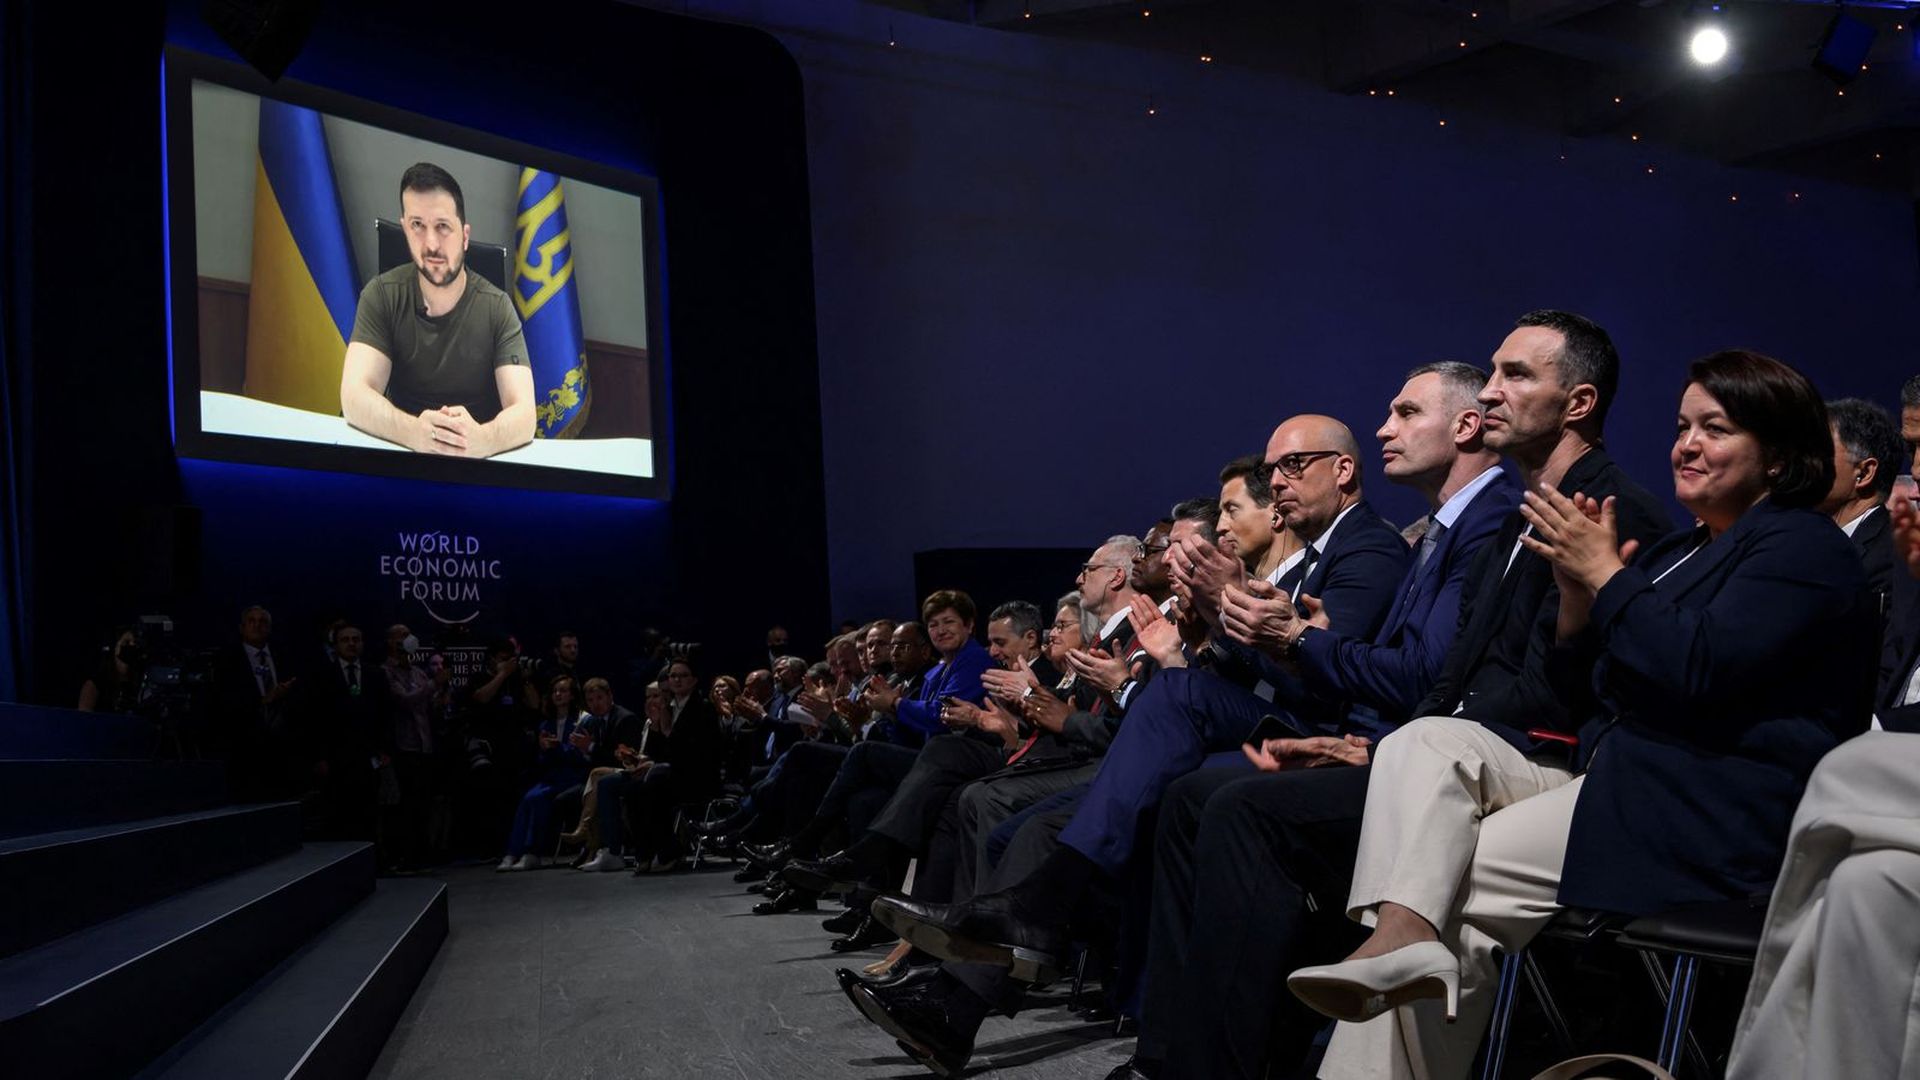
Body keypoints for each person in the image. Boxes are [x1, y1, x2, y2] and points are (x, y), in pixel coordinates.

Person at [1293, 350, 1876, 1080]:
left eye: (1716, 428)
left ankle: (1401, 946)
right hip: (1620, 781)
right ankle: (1399, 941)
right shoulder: (1680, 553)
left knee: (1446, 878)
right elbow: (1587, 686)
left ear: (1780, 456)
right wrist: (1577, 605)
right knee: (1424, 748)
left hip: (1711, 812)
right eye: (1682, 425)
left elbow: (1698, 668)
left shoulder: (1801, 546)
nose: (1686, 444)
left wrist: (1604, 576)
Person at [340, 162, 533, 458]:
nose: (431, 244)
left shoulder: (497, 308)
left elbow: (525, 415)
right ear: (405, 228)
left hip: (475, 461)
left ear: (465, 236)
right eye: (417, 225)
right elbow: (353, 396)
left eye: (443, 227)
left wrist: (483, 439)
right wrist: (413, 432)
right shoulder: (380, 295)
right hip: (402, 452)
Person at [1818, 397, 1900, 617]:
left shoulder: (1896, 554)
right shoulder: (1801, 538)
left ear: (1864, 473)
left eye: (1820, 451)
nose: (1806, 462)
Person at [77, 628, 139, 713]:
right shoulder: (95, 684)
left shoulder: (141, 682)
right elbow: (85, 719)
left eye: (135, 643)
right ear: (114, 647)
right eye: (126, 642)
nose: (131, 646)